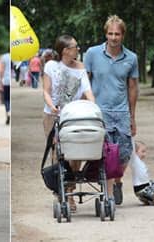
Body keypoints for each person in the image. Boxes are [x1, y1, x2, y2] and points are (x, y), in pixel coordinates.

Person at [84, 15, 140, 205]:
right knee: (105, 152)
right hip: (100, 111)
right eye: (110, 33)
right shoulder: (92, 54)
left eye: (117, 34)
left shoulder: (131, 58)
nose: (113, 37)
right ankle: (107, 189)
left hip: (122, 112)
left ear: (123, 35)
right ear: (105, 34)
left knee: (124, 154)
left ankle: (117, 180)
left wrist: (132, 116)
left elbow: (132, 87)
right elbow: (85, 83)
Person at [42, 34, 95, 212]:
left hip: (74, 115)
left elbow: (87, 90)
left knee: (76, 153)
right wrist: (52, 106)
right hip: (53, 116)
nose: (78, 49)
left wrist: (94, 108)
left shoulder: (80, 68)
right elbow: (46, 90)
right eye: (75, 47)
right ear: (65, 50)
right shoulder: (51, 66)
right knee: (58, 154)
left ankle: (70, 191)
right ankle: (61, 193)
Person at [130, 140, 154, 205]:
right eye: (142, 151)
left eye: (145, 152)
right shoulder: (134, 160)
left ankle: (145, 197)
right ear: (135, 152)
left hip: (143, 186)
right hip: (141, 187)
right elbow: (131, 147)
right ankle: (151, 196)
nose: (144, 154)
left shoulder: (140, 162)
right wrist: (131, 133)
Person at [0, 53, 11, 125]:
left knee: (6, 99)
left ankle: (8, 112)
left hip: (6, 81)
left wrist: (0, 81)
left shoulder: (4, 57)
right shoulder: (16, 56)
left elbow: (1, 70)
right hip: (12, 81)